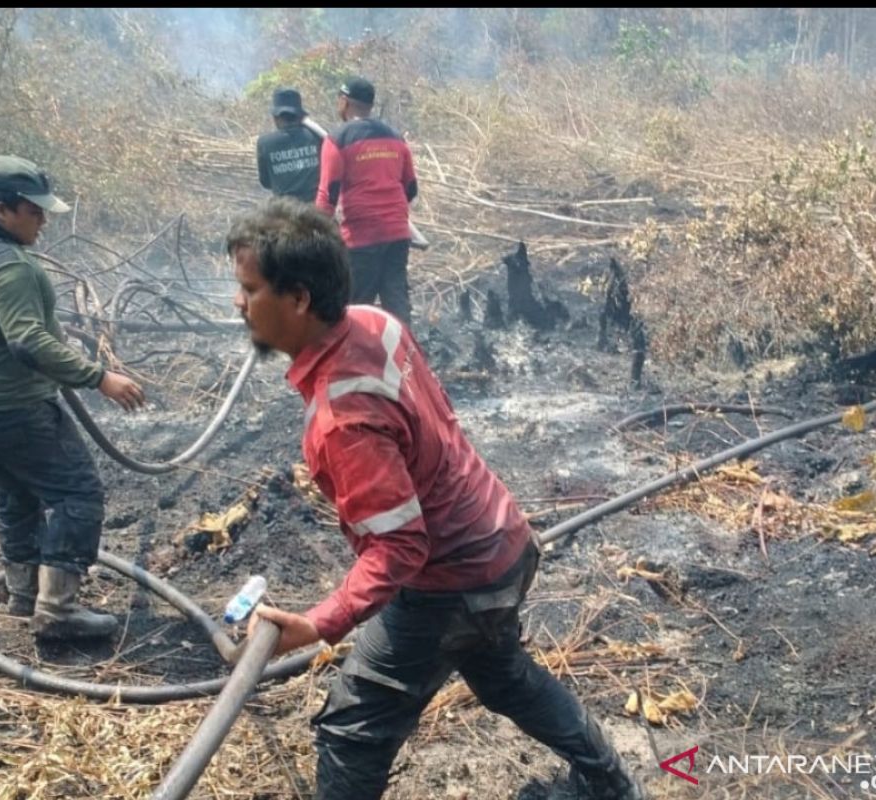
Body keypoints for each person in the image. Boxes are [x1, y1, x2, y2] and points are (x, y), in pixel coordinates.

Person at [231, 197, 645, 800]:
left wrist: (318, 623)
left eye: (250, 289)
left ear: (297, 299)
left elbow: (400, 547)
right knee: (503, 676)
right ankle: (609, 782)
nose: (239, 305)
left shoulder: (344, 418)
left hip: (452, 579)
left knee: (352, 728)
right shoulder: (375, 322)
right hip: (503, 540)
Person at [0, 155, 145, 641]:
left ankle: (24, 596)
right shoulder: (10, 266)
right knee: (78, 495)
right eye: (34, 211)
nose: (43, 221)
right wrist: (98, 377)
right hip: (19, 408)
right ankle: (58, 612)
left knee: (15, 493)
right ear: (2, 210)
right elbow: (27, 341)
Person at [315, 76, 418, 327]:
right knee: (396, 300)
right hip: (397, 232)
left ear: (344, 101)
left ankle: (357, 359)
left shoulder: (338, 138)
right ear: (370, 105)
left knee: (358, 306)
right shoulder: (395, 137)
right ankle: (404, 358)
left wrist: (315, 233)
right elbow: (411, 187)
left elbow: (328, 194)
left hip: (362, 237)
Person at [256, 87, 323, 203]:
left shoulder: (265, 143)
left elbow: (265, 182)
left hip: (284, 210)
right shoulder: (316, 137)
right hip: (316, 209)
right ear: (300, 116)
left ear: (276, 117)